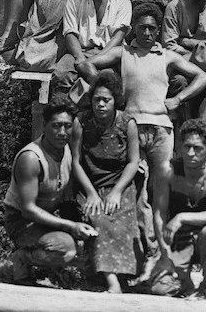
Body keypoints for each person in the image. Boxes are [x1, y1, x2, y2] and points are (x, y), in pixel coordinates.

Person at [77, 3, 206, 268]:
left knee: (160, 191)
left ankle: (164, 253)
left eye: (152, 28)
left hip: (162, 130)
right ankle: (143, 251)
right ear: (134, 29)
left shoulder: (167, 56)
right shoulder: (123, 52)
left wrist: (179, 99)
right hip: (133, 128)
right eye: (142, 28)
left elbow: (202, 77)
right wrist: (109, 91)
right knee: (138, 192)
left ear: (158, 30)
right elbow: (85, 64)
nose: (148, 33)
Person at [3, 96, 97, 285]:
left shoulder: (67, 150)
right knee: (66, 248)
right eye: (56, 125)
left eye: (67, 126)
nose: (62, 132)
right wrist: (69, 226)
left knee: (94, 233)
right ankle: (22, 260)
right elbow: (28, 210)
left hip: (46, 216)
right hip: (22, 222)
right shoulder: (31, 158)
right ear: (45, 125)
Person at [71, 70, 140, 293]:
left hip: (120, 185)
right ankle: (112, 281)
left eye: (106, 100)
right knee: (98, 219)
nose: (100, 105)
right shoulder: (81, 122)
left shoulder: (127, 123)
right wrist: (91, 193)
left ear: (115, 101)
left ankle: (125, 277)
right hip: (90, 185)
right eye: (96, 99)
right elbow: (76, 162)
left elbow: (133, 162)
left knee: (121, 219)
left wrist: (117, 192)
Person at [151, 119, 206, 297]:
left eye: (197, 148)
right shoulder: (169, 170)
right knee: (159, 288)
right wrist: (165, 254)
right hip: (179, 239)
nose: (190, 153)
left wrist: (181, 217)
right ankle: (184, 282)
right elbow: (158, 214)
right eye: (186, 146)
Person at [52, 0, 132, 95]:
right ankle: (64, 114)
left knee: (109, 79)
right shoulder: (74, 0)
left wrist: (93, 61)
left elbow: (118, 37)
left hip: (110, 54)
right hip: (81, 51)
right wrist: (79, 57)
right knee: (61, 74)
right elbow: (70, 33)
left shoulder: (122, 1)